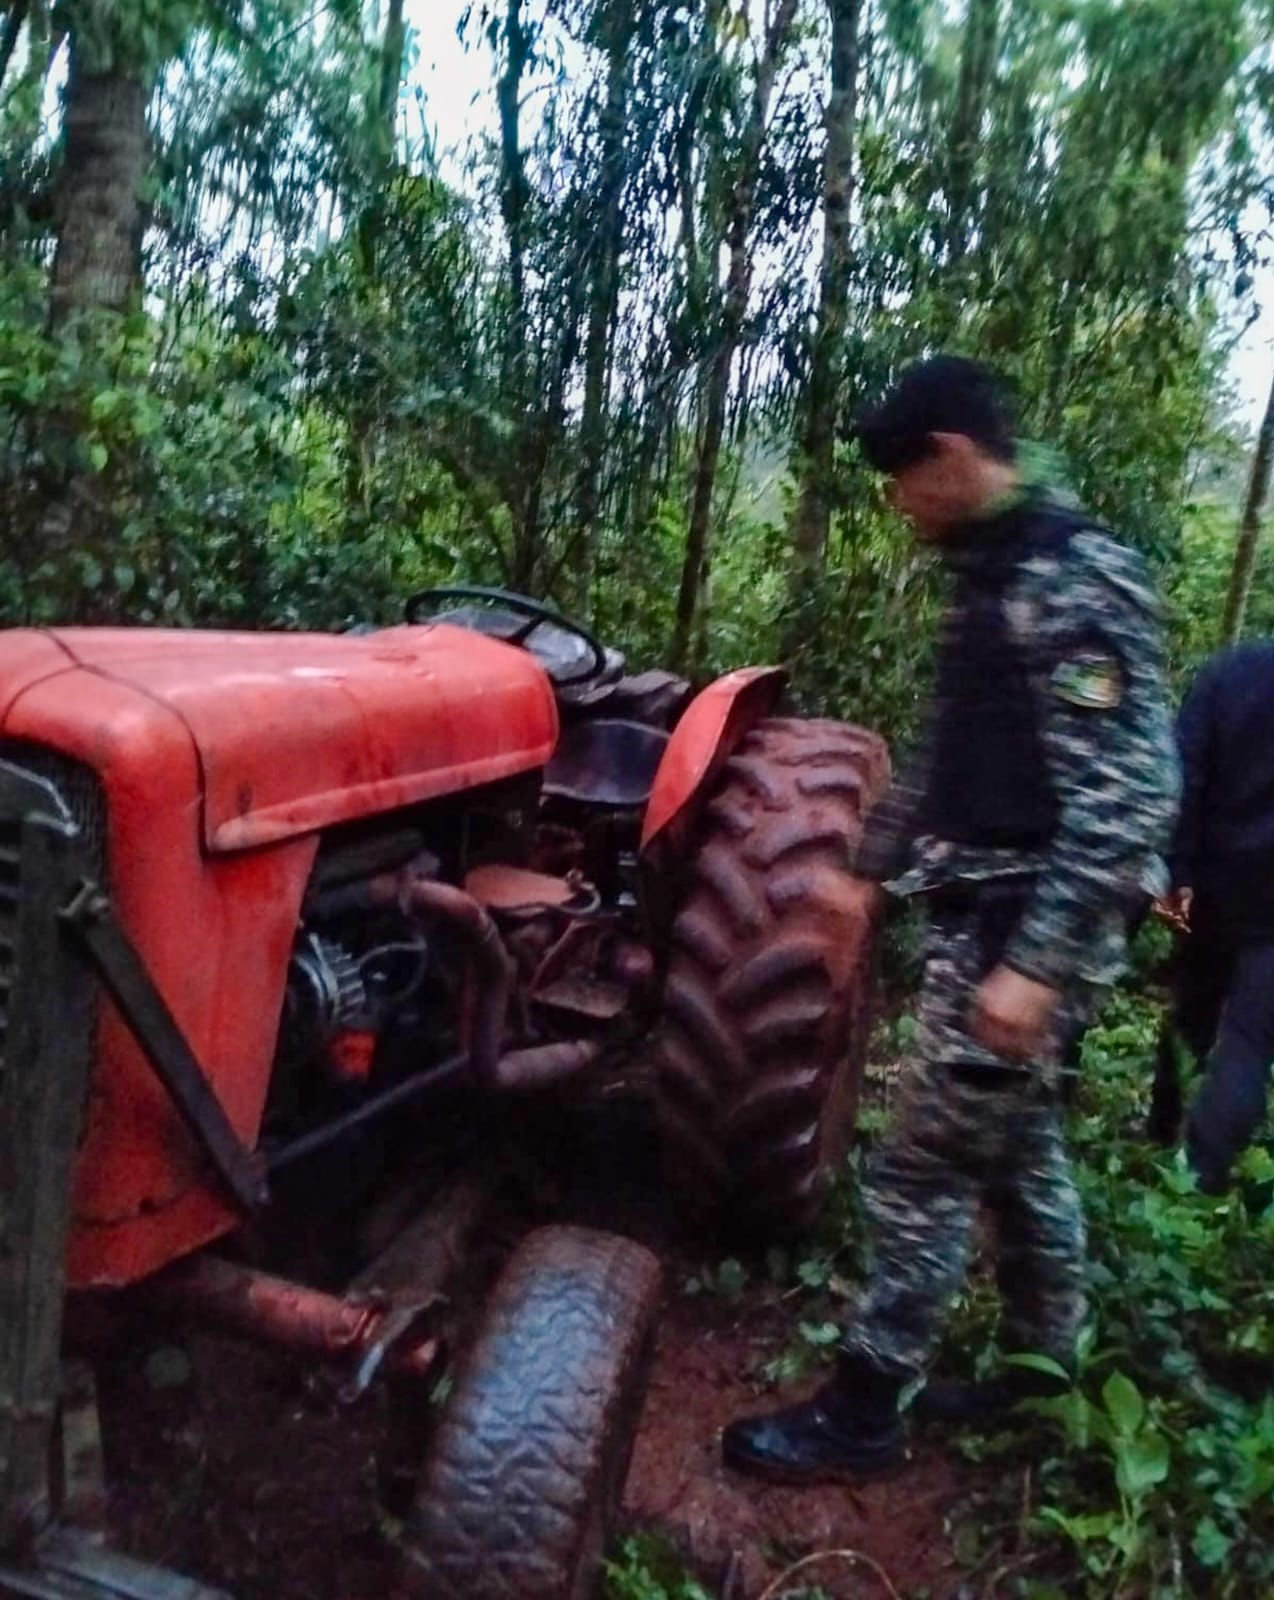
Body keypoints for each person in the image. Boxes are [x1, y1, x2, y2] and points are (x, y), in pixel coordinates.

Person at [722, 355, 1180, 1484]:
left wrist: (1031, 967)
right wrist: (866, 867)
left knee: (919, 1170)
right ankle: (1042, 1367)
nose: (895, 505)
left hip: (1022, 927)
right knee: (1019, 1153)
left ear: (951, 458)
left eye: (900, 480)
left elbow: (1128, 801)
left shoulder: (1072, 580)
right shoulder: (995, 575)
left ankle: (863, 1409)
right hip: (985, 909)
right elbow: (949, 748)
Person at [1153, 640, 1274, 1191]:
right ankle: (1201, 1176)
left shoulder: (1229, 672)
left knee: (1191, 1012)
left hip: (1216, 881)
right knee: (1249, 1038)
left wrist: (1180, 871)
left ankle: (1159, 1133)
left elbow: (1185, 772)